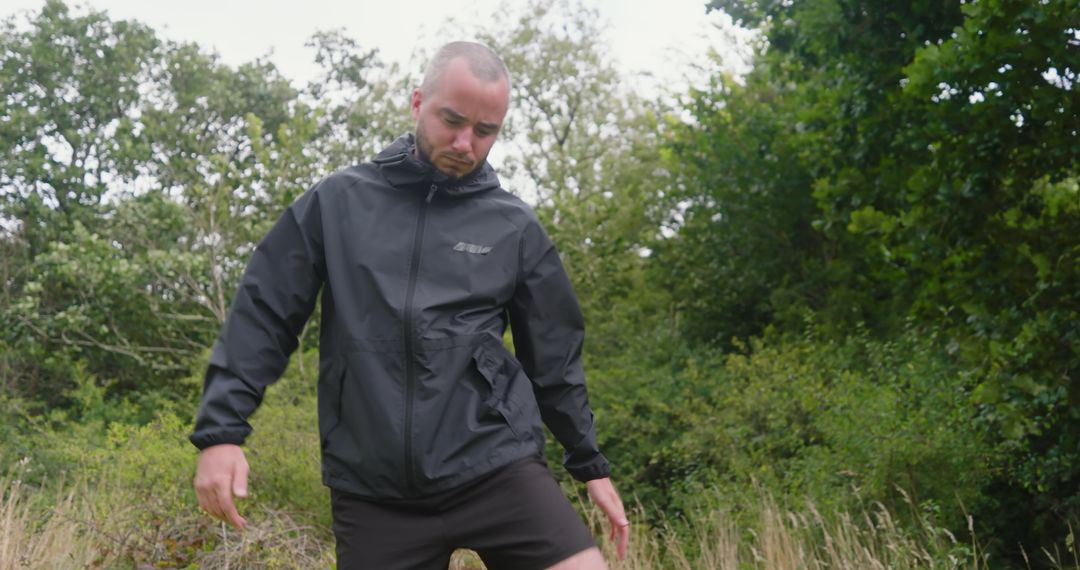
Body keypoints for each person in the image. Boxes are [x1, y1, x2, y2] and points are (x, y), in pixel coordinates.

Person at [190, 41, 629, 569]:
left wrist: (589, 463)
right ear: (419, 102)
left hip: (495, 465)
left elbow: (554, 356)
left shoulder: (512, 225)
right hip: (374, 492)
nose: (466, 143)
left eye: (485, 131)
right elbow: (263, 313)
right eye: (453, 120)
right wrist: (221, 433)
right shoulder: (338, 203)